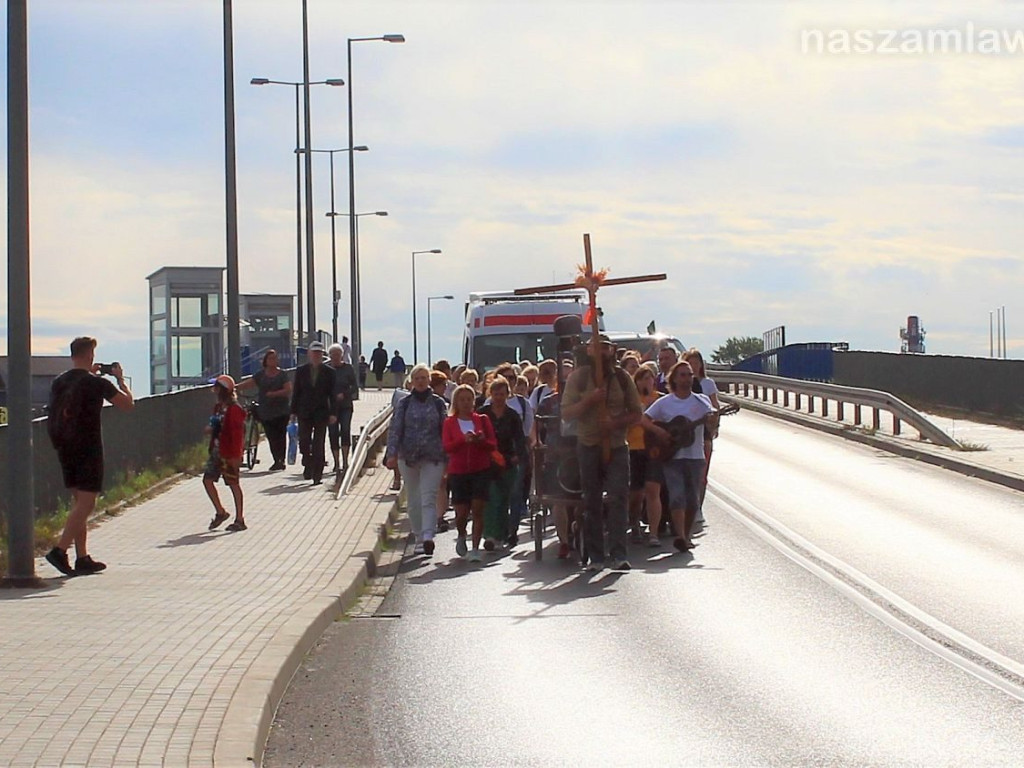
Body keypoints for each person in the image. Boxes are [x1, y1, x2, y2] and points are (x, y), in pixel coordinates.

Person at [45, 337, 134, 576]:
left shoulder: (60, 381)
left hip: (64, 446)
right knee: (87, 503)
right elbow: (127, 405)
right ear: (89, 356)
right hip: (88, 447)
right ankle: (60, 550)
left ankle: (82, 557)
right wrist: (120, 380)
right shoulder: (96, 384)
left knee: (79, 504)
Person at [560, 337, 642, 572]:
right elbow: (566, 412)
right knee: (591, 501)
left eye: (605, 347)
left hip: (616, 446)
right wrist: (589, 400)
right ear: (588, 350)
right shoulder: (578, 377)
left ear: (612, 351)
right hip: (588, 445)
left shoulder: (622, 378)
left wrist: (615, 422)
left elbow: (636, 413)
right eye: (596, 347)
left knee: (618, 498)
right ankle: (596, 556)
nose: (601, 352)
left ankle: (619, 554)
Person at [641, 360, 718, 552]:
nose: (687, 378)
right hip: (672, 456)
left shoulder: (702, 401)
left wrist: (713, 422)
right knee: (677, 496)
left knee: (692, 499)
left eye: (690, 375)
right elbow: (644, 419)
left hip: (695, 456)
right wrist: (660, 433)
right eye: (683, 375)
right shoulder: (665, 402)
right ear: (674, 379)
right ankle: (681, 536)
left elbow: (711, 427)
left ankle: (686, 532)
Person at [385, 364, 447, 556]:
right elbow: (396, 429)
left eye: (424, 377)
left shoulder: (438, 403)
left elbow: (445, 430)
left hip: (433, 456)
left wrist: (449, 456)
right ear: (411, 382)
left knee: (428, 496)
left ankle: (428, 536)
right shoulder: (404, 404)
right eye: (417, 378)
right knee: (414, 497)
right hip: (408, 456)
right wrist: (391, 454)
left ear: (429, 380)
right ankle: (418, 535)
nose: (420, 381)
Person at [442, 384, 497, 562]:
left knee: (478, 509)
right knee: (462, 513)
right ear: (456, 402)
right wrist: (462, 440)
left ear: (474, 401)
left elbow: (492, 444)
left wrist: (480, 440)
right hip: (458, 472)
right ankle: (461, 534)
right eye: (462, 399)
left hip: (480, 470)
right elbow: (447, 447)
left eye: (469, 399)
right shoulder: (449, 423)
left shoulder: (482, 420)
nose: (466, 403)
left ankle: (475, 548)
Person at [478, 377, 525, 551]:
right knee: (491, 498)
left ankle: (501, 534)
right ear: (490, 394)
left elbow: (519, 438)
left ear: (508, 394)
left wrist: (517, 456)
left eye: (502, 394)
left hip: (507, 462)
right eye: (496, 394)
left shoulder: (512, 416)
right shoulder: (483, 414)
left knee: (504, 499)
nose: (499, 397)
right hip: (487, 462)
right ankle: (489, 535)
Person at [204, 375, 247, 532]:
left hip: (229, 452)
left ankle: (240, 519)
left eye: (216, 387)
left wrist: (237, 456)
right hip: (217, 450)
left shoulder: (235, 410)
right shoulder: (218, 408)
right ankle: (220, 512)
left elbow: (237, 435)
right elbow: (215, 424)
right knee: (207, 480)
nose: (213, 390)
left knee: (233, 484)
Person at [683, 347, 720, 526]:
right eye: (690, 362)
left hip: (703, 432)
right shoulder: (681, 383)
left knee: (702, 473)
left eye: (696, 362)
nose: (694, 366)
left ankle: (698, 506)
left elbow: (715, 406)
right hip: (685, 434)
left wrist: (714, 425)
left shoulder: (708, 383)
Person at [290, 341, 336, 485]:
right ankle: (307, 462)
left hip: (321, 412)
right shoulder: (301, 371)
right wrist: (293, 411)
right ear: (309, 354)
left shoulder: (329, 372)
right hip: (304, 411)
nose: (316, 355)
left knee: (319, 443)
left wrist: (333, 413)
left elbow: (332, 394)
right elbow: (296, 391)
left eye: (319, 353)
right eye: (314, 353)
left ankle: (317, 474)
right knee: (304, 441)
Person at [238, 349, 291, 471]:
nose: (273, 361)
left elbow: (288, 389)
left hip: (281, 410)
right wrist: (236, 387)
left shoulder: (282, 374)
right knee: (271, 436)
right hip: (266, 410)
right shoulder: (261, 374)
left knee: (280, 435)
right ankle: (276, 459)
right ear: (266, 361)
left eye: (274, 358)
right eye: (270, 358)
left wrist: (275, 394)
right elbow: (250, 383)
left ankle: (281, 460)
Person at [628, 365, 663, 546]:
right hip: (634, 448)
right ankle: (633, 522)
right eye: (643, 378)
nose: (647, 382)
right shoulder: (631, 400)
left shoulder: (660, 400)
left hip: (653, 450)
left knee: (652, 490)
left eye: (650, 378)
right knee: (636, 494)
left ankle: (653, 533)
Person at [327, 343, 359, 476]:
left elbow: (354, 386)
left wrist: (344, 394)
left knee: (345, 430)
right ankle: (336, 463)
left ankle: (346, 461)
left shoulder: (348, 368)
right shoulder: (326, 369)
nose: (335, 357)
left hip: (345, 405)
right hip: (330, 408)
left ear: (341, 355)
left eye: (337, 355)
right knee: (333, 433)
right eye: (333, 355)